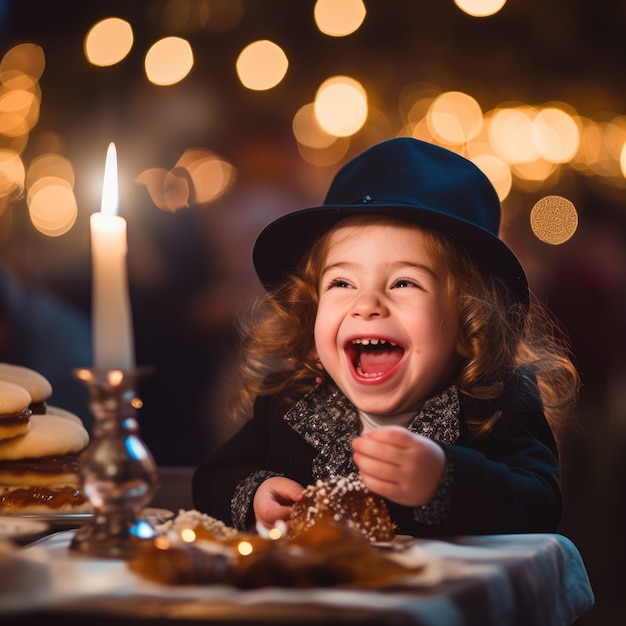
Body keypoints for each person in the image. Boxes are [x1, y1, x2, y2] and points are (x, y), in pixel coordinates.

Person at [192, 137, 579, 537]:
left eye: (404, 282)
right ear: (311, 311)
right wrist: (257, 493)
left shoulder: (496, 402)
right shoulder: (290, 400)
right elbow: (213, 478)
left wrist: (445, 480)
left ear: (469, 319)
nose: (367, 304)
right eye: (342, 282)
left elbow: (540, 503)